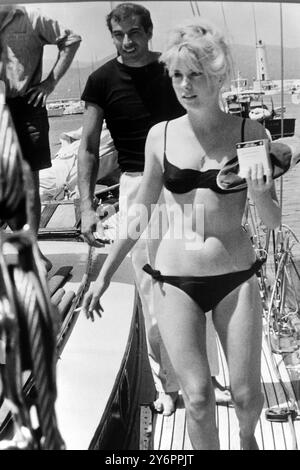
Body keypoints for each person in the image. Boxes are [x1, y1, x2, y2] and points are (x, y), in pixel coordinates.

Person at [80, 18, 282, 450]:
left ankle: (247, 441)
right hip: (174, 281)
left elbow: (272, 221)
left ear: (219, 77)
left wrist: (262, 191)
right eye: (177, 76)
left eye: (196, 75)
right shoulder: (162, 136)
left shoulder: (251, 134)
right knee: (197, 399)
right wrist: (102, 274)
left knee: (247, 398)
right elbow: (139, 213)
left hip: (237, 278)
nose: (185, 86)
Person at [78, 2, 230, 416]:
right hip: (135, 187)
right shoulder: (100, 81)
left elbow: (206, 118)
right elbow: (89, 148)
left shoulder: (173, 72)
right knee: (152, 290)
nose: (127, 41)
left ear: (148, 31)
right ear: (112, 37)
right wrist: (86, 205)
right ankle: (166, 385)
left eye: (135, 32)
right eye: (119, 34)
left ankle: (209, 376)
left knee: (201, 280)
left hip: (184, 184)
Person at [0, 4, 81, 271]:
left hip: (26, 106)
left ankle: (33, 250)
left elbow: (71, 40)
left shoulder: (33, 18)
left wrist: (50, 82)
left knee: (30, 184)